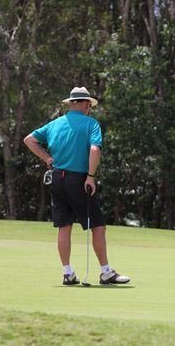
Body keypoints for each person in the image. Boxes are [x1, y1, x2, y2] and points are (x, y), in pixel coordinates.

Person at [24, 87, 130, 285]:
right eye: (89, 105)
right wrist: (90, 176)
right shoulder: (91, 123)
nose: (90, 108)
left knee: (64, 227)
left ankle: (68, 273)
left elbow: (29, 140)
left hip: (57, 179)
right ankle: (106, 272)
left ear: (71, 104)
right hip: (79, 180)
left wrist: (47, 158)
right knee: (98, 226)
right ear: (86, 104)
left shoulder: (55, 124)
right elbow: (95, 150)